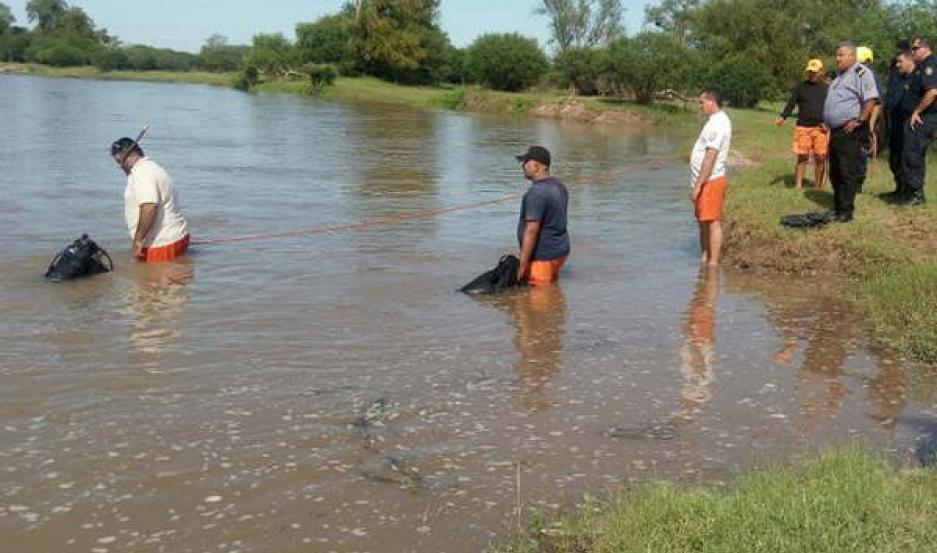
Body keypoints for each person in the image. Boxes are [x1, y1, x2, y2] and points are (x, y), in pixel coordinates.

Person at [822, 42, 880, 222]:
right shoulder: (839, 76)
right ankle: (838, 206)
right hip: (836, 131)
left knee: (847, 170)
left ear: (852, 56)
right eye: (837, 55)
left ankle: (846, 211)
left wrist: (860, 120)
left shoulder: (861, 72)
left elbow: (870, 99)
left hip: (850, 130)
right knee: (835, 170)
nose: (837, 58)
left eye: (841, 55)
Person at [111, 137, 191, 261]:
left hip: (162, 244)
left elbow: (149, 207)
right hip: (175, 237)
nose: (120, 167)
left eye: (118, 161)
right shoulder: (152, 167)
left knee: (149, 280)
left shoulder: (142, 173)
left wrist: (137, 240)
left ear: (127, 155)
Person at [514, 146, 570, 285]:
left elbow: (532, 230)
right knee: (552, 293)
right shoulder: (559, 186)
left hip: (543, 256)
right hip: (559, 252)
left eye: (526, 162)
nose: (523, 166)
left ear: (536, 165)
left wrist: (522, 262)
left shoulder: (536, 192)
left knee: (539, 298)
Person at [689, 89, 732, 266]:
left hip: (711, 181)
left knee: (712, 222)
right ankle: (705, 259)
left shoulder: (718, 124)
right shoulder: (712, 122)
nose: (700, 106)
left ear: (712, 102)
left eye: (702, 102)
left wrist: (698, 185)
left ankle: (713, 264)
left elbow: (711, 156)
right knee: (702, 222)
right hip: (703, 181)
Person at [775, 59, 830, 189]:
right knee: (802, 156)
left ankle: (817, 186)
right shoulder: (801, 87)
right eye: (810, 71)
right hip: (803, 127)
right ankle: (798, 185)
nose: (811, 74)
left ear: (821, 72)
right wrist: (783, 117)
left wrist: (829, 124)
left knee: (820, 157)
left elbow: (832, 107)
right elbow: (791, 103)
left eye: (814, 72)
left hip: (820, 128)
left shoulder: (827, 89)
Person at [899, 36, 937, 206]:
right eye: (912, 49)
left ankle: (916, 194)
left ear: (926, 48)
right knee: (909, 153)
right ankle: (910, 190)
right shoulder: (920, 67)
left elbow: (932, 92)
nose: (912, 51)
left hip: (923, 118)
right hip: (916, 117)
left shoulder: (930, 64)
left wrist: (916, 111)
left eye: (916, 48)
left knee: (913, 154)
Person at [885, 49, 917, 201]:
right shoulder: (897, 77)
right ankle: (899, 188)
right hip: (893, 121)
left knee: (906, 157)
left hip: (907, 122)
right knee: (894, 157)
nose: (897, 65)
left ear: (910, 60)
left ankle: (909, 191)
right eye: (896, 62)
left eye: (900, 61)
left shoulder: (916, 79)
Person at [857, 46, 884, 183]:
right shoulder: (856, 73)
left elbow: (877, 102)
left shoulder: (870, 75)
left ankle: (858, 181)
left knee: (861, 151)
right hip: (853, 120)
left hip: (863, 121)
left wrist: (871, 124)